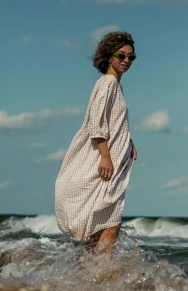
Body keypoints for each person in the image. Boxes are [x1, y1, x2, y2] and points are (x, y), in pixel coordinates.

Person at [55, 31, 137, 254]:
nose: (126, 61)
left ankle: (85, 276)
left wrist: (128, 141)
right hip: (104, 161)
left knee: (100, 228)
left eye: (131, 57)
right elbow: (96, 123)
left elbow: (113, 121)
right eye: (121, 55)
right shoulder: (108, 83)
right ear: (109, 56)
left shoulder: (114, 86)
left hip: (112, 159)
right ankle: (101, 277)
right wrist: (106, 156)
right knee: (110, 225)